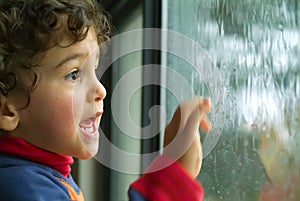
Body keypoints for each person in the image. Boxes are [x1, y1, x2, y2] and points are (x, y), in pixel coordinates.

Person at [0, 0, 211, 200]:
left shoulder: (41, 175)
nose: (101, 90)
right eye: (73, 74)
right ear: (7, 111)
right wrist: (173, 176)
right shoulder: (24, 187)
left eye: (94, 70)